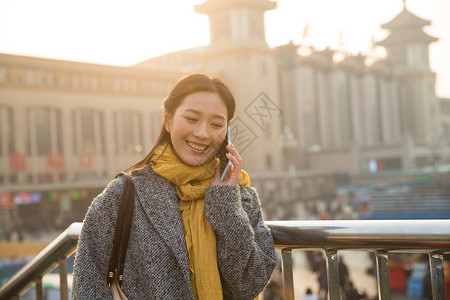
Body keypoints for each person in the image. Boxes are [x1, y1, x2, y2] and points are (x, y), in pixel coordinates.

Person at [71, 73, 277, 300]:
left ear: (227, 133)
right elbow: (87, 287)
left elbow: (248, 284)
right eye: (191, 119)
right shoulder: (123, 194)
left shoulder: (239, 194)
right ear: (168, 120)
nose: (202, 133)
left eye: (216, 124)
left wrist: (225, 203)